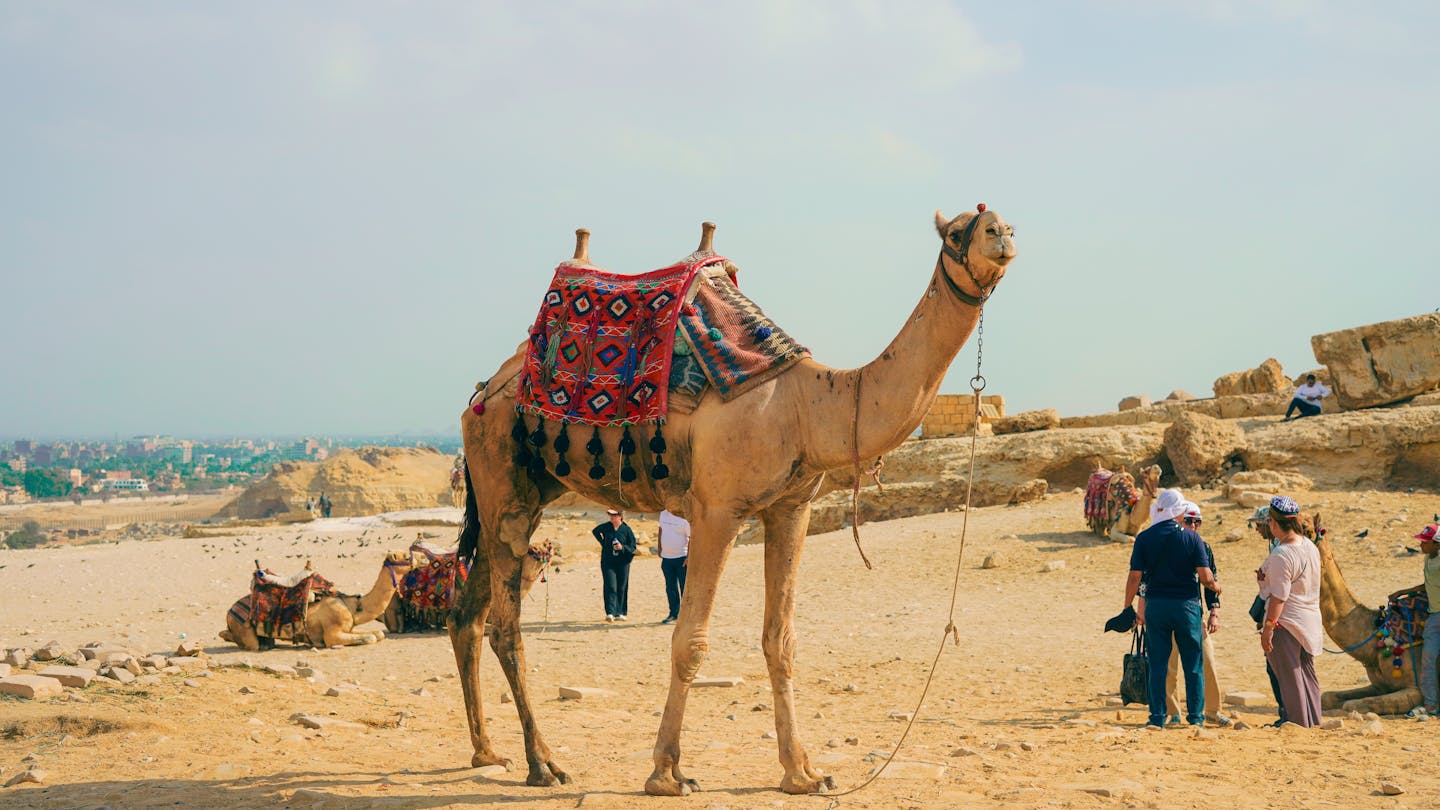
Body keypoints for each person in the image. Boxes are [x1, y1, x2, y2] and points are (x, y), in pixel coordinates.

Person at [1122, 488, 1221, 728]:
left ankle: (1157, 717)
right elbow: (1205, 576)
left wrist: (1128, 607)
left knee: (1158, 664)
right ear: (1179, 510)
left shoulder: (1145, 538)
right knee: (1193, 665)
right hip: (1186, 606)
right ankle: (1196, 718)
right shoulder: (1192, 538)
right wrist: (1215, 587)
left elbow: (1135, 577)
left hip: (1157, 605)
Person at [1257, 495, 1324, 726]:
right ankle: (1313, 721)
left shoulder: (1282, 554)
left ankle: (1297, 724)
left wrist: (1268, 629)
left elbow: (1279, 597)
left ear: (1274, 523)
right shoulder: (1310, 546)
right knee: (1307, 674)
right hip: (1309, 620)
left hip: (1286, 622)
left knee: (1290, 676)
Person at [1164, 502, 1231, 726]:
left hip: (1194, 615)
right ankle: (1173, 712)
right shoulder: (1165, 546)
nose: (1193, 525)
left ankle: (1213, 710)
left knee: (1207, 662)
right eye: (1189, 521)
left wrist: (1214, 612)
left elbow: (1211, 582)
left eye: (1197, 521)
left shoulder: (1204, 547)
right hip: (1168, 612)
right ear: (1179, 522)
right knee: (1169, 665)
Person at [1389, 523, 1440, 717]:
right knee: (1428, 658)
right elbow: (1429, 584)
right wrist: (1404, 592)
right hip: (1434, 616)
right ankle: (1431, 706)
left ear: (1437, 545)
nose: (1420, 545)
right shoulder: (1429, 559)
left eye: (1425, 542)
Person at [1247, 505, 1288, 726]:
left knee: (1275, 666)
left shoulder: (1280, 549)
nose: (1257, 530)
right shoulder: (1277, 546)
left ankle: (1286, 713)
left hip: (1279, 614)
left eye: (1258, 525)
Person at [592, 509, 636, 622]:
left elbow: (633, 547)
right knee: (610, 586)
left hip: (623, 562)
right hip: (608, 562)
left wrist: (622, 548)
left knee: (622, 587)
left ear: (620, 516)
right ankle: (610, 612)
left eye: (614, 515)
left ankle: (620, 612)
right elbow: (595, 531)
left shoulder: (626, 530)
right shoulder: (606, 527)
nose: (611, 517)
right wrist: (603, 543)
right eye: (610, 515)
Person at [657, 509, 691, 624]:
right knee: (670, 588)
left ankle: (686, 616)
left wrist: (688, 557)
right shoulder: (663, 514)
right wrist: (659, 547)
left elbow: (691, 537)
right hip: (667, 559)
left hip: (682, 558)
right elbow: (661, 529)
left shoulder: (684, 517)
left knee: (684, 588)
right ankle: (673, 614)